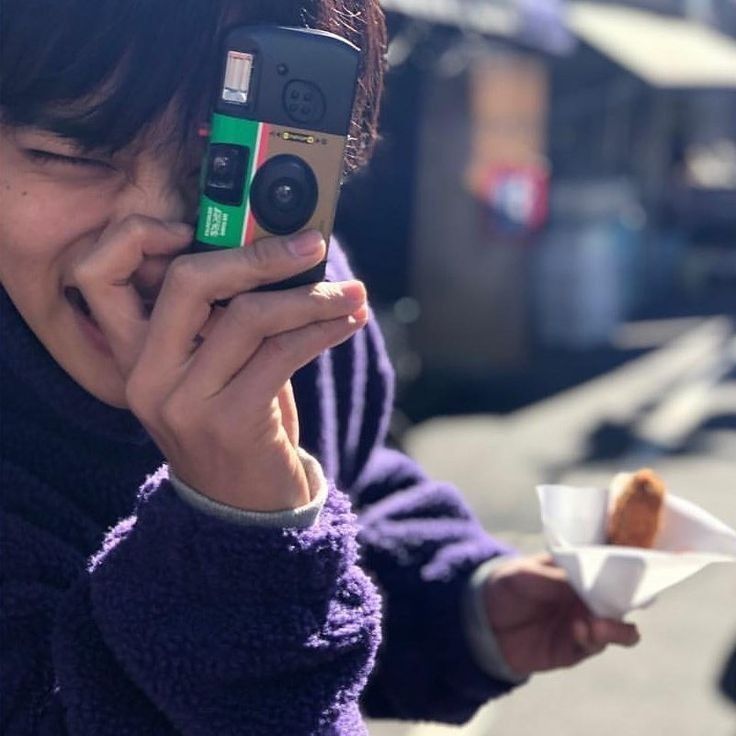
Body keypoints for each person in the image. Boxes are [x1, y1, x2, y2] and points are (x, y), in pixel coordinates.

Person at [0, 0, 639, 733]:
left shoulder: (287, 293)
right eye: (72, 156)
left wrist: (460, 602)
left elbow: (353, 483)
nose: (148, 243)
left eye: (221, 164)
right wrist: (236, 527)